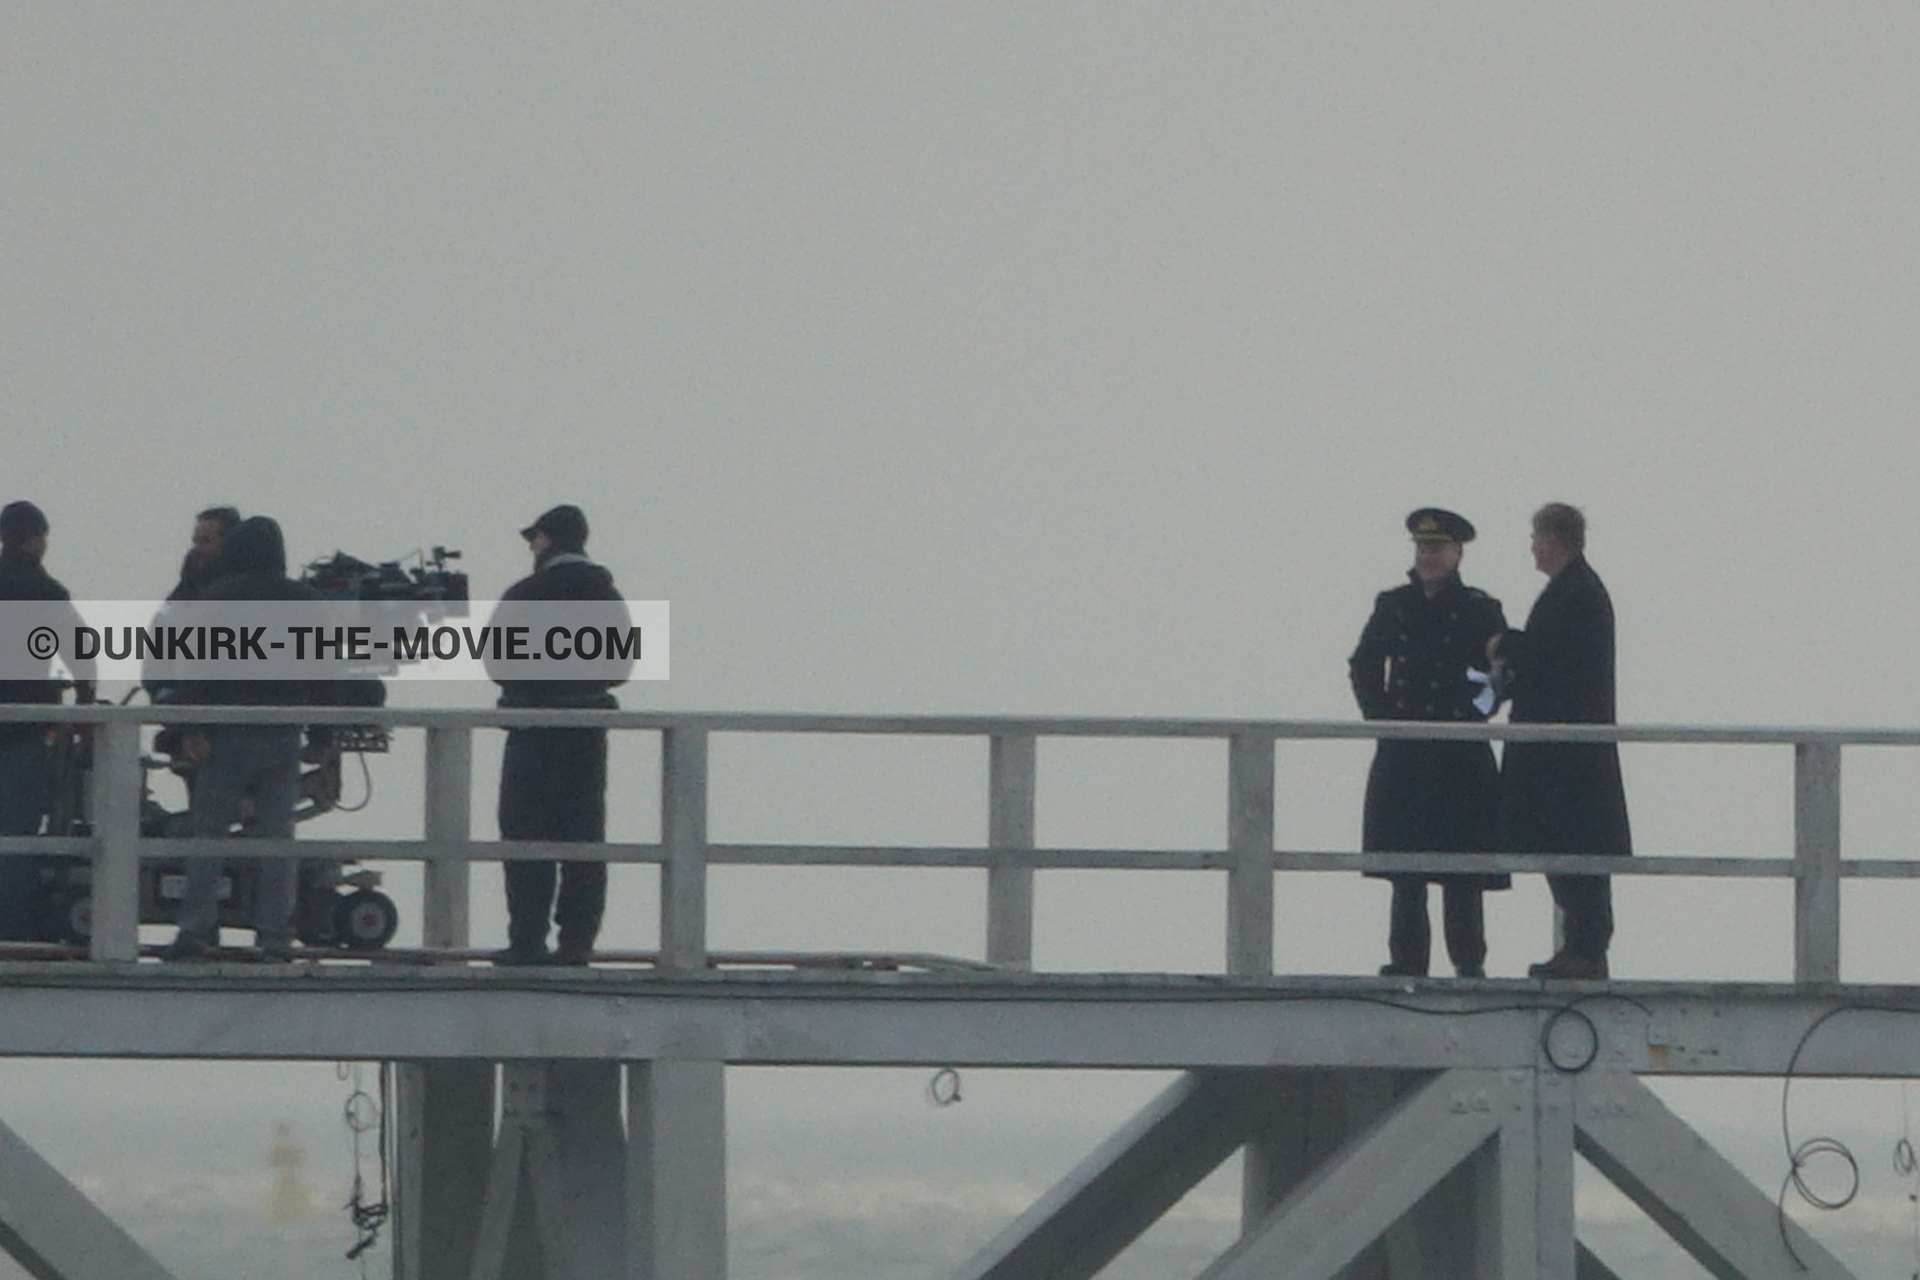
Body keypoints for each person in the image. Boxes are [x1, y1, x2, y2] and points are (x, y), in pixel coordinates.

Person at [162, 515, 336, 961]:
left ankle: (195, 930)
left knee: (209, 835)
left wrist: (190, 728)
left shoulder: (214, 599)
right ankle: (274, 935)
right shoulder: (307, 602)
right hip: (282, 733)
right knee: (278, 838)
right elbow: (323, 675)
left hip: (224, 733)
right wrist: (321, 734)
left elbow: (193, 669)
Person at [1349, 508, 1508, 978]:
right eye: (1422, 549)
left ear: (1458, 554)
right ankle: (1407, 964)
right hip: (1405, 752)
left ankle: (1469, 967)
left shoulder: (1482, 608)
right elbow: (1363, 664)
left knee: (1464, 873)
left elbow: (1499, 675)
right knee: (1406, 871)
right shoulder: (1393, 604)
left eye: (1436, 549)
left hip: (1460, 753)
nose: (1428, 557)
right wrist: (1382, 719)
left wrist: (1478, 712)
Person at [1492, 502, 1631, 981]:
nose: (1532, 547)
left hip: (1569, 753)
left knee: (1577, 852)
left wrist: (1505, 646)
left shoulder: (1577, 595)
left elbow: (1549, 659)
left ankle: (1586, 949)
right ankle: (1579, 947)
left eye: (1536, 538)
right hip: (1563, 753)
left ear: (1552, 540)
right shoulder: (1574, 591)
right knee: (1567, 849)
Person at [489, 504, 630, 966]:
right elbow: (620, 667)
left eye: (534, 538)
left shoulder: (526, 594)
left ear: (547, 541)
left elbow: (496, 663)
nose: (531, 546)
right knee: (583, 839)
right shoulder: (607, 598)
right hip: (587, 734)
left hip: (532, 733)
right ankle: (577, 943)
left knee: (526, 835)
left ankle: (527, 940)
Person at [0, 501, 95, 941]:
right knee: (18, 832)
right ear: (35, 538)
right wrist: (86, 697)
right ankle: (14, 925)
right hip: (26, 729)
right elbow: (80, 651)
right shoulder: (46, 592)